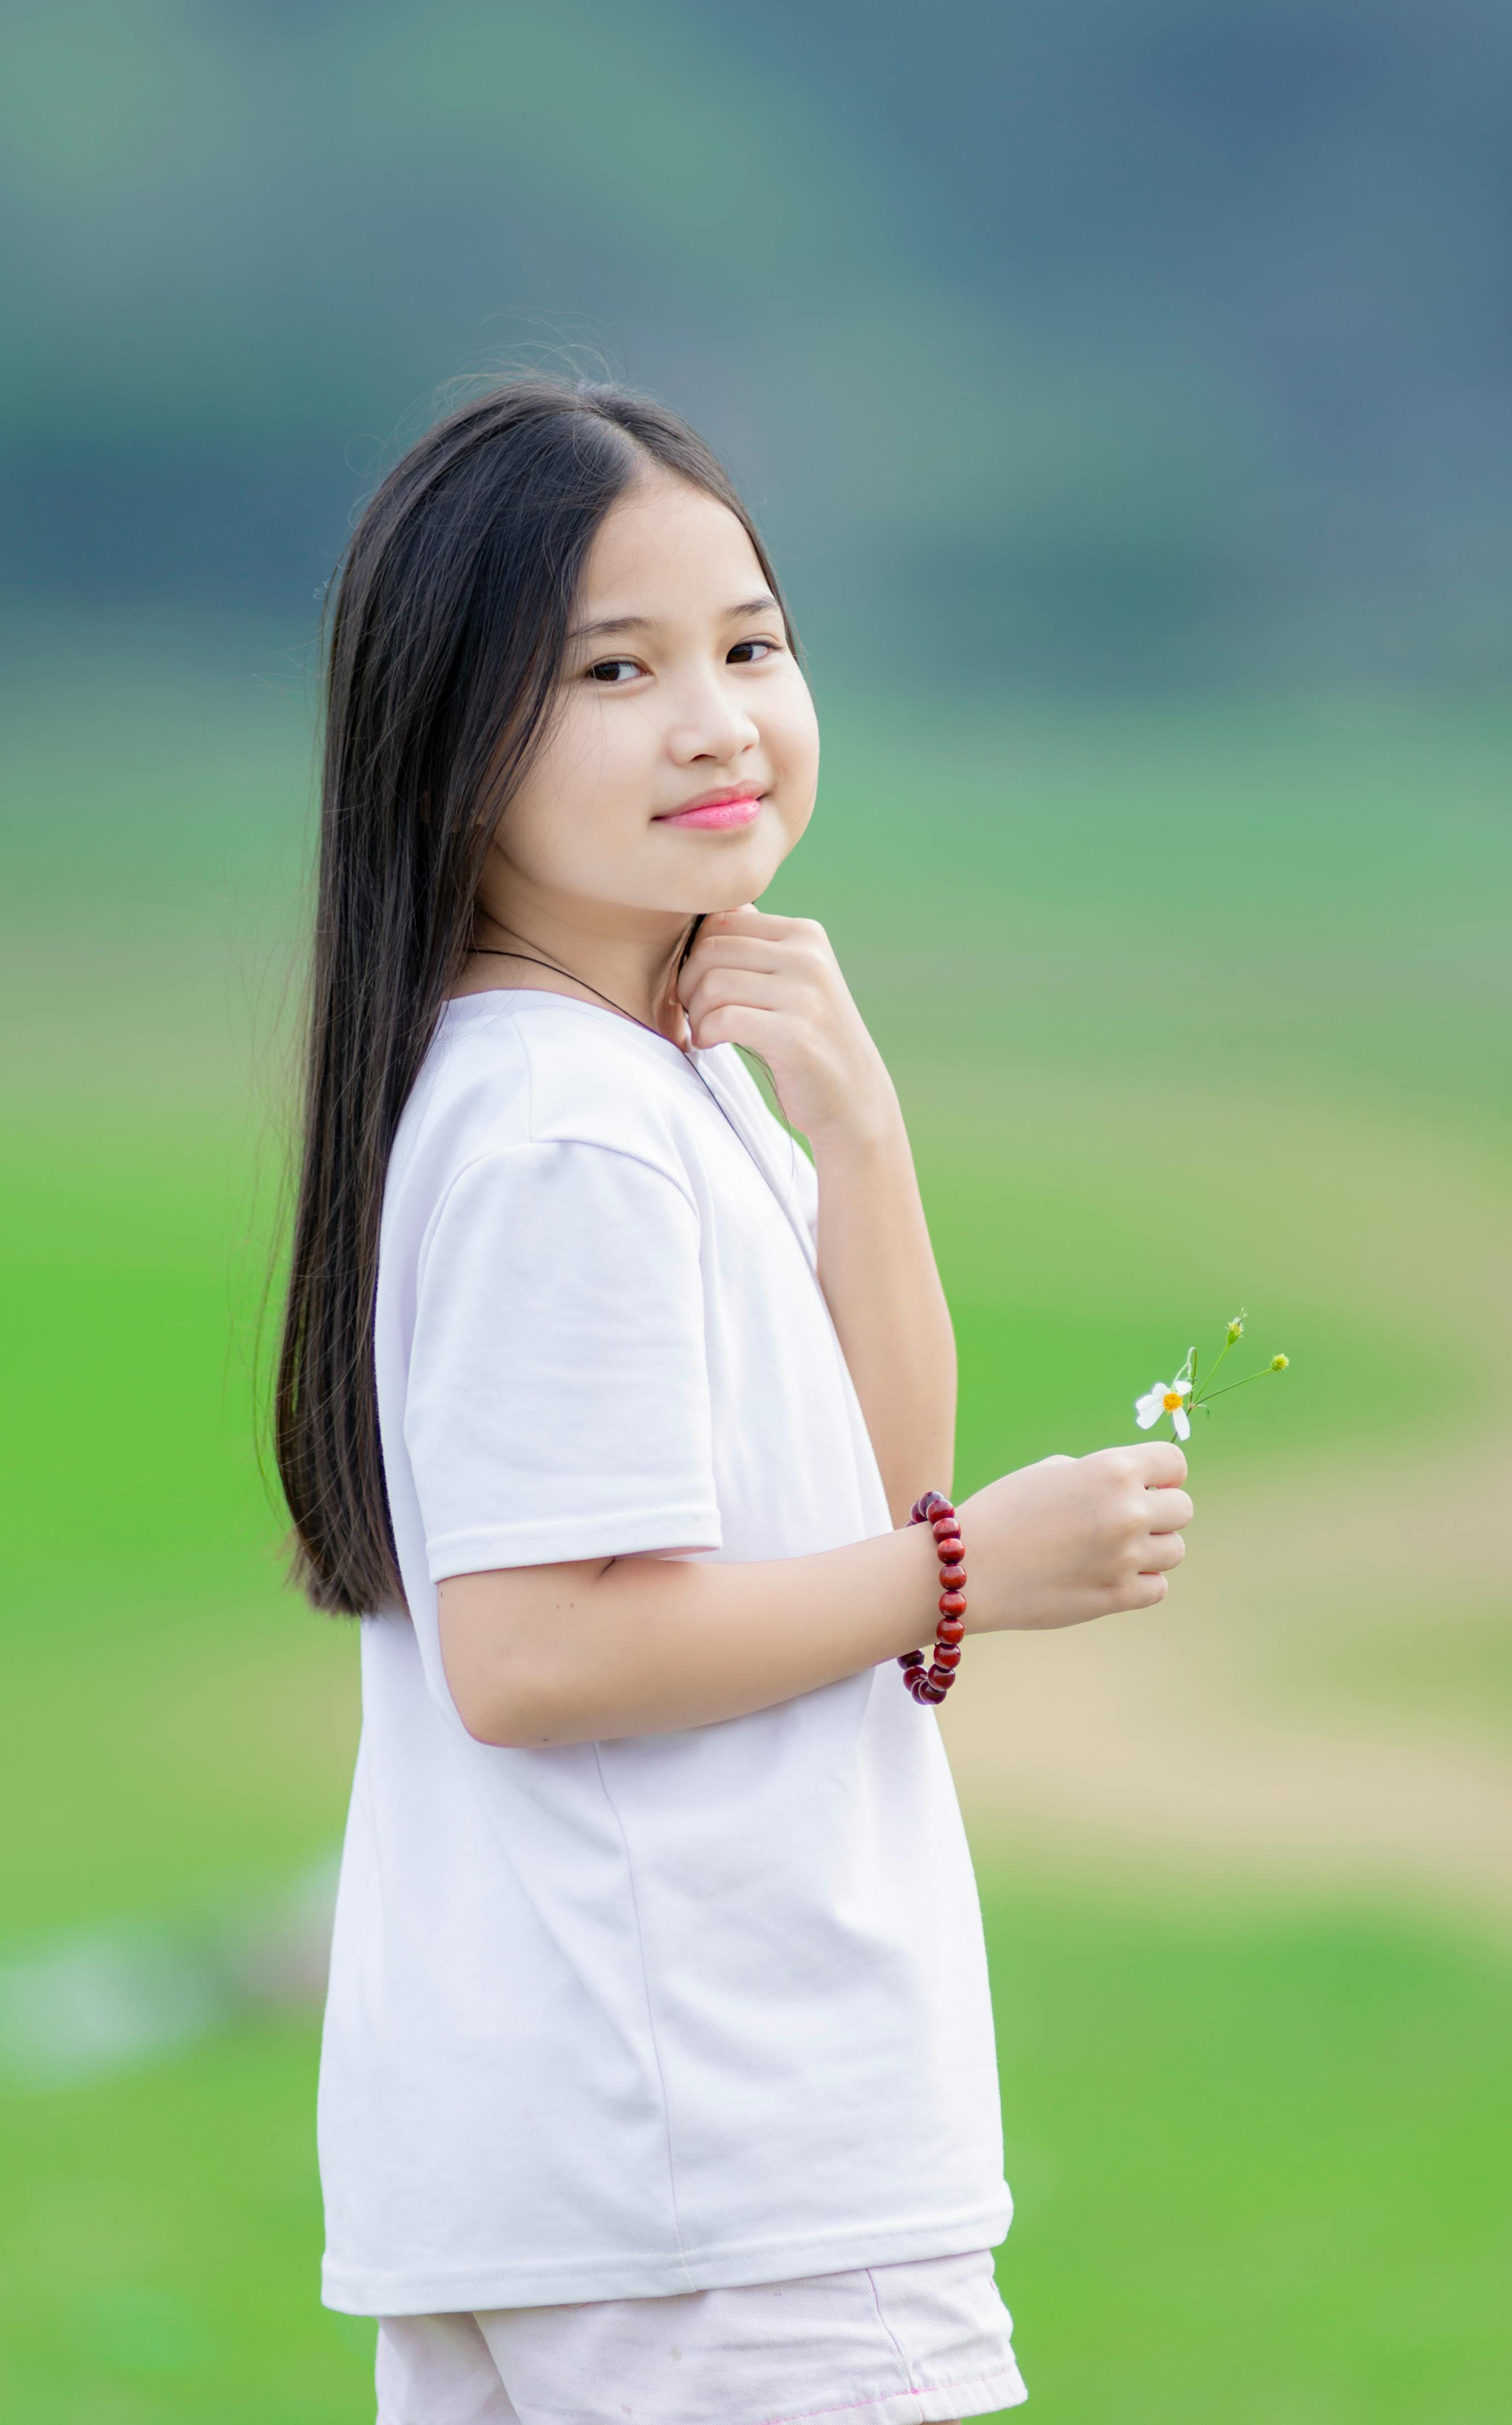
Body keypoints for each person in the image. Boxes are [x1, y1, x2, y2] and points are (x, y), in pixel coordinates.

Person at [274, 378, 1193, 2425]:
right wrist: (968, 1571)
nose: (716, 717)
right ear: (449, 732)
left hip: (621, 2164)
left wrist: (857, 1137)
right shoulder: (561, 1130)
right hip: (711, 2163)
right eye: (615, 667)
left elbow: (865, 1486)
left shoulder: (625, 1081)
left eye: (749, 645)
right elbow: (532, 1647)